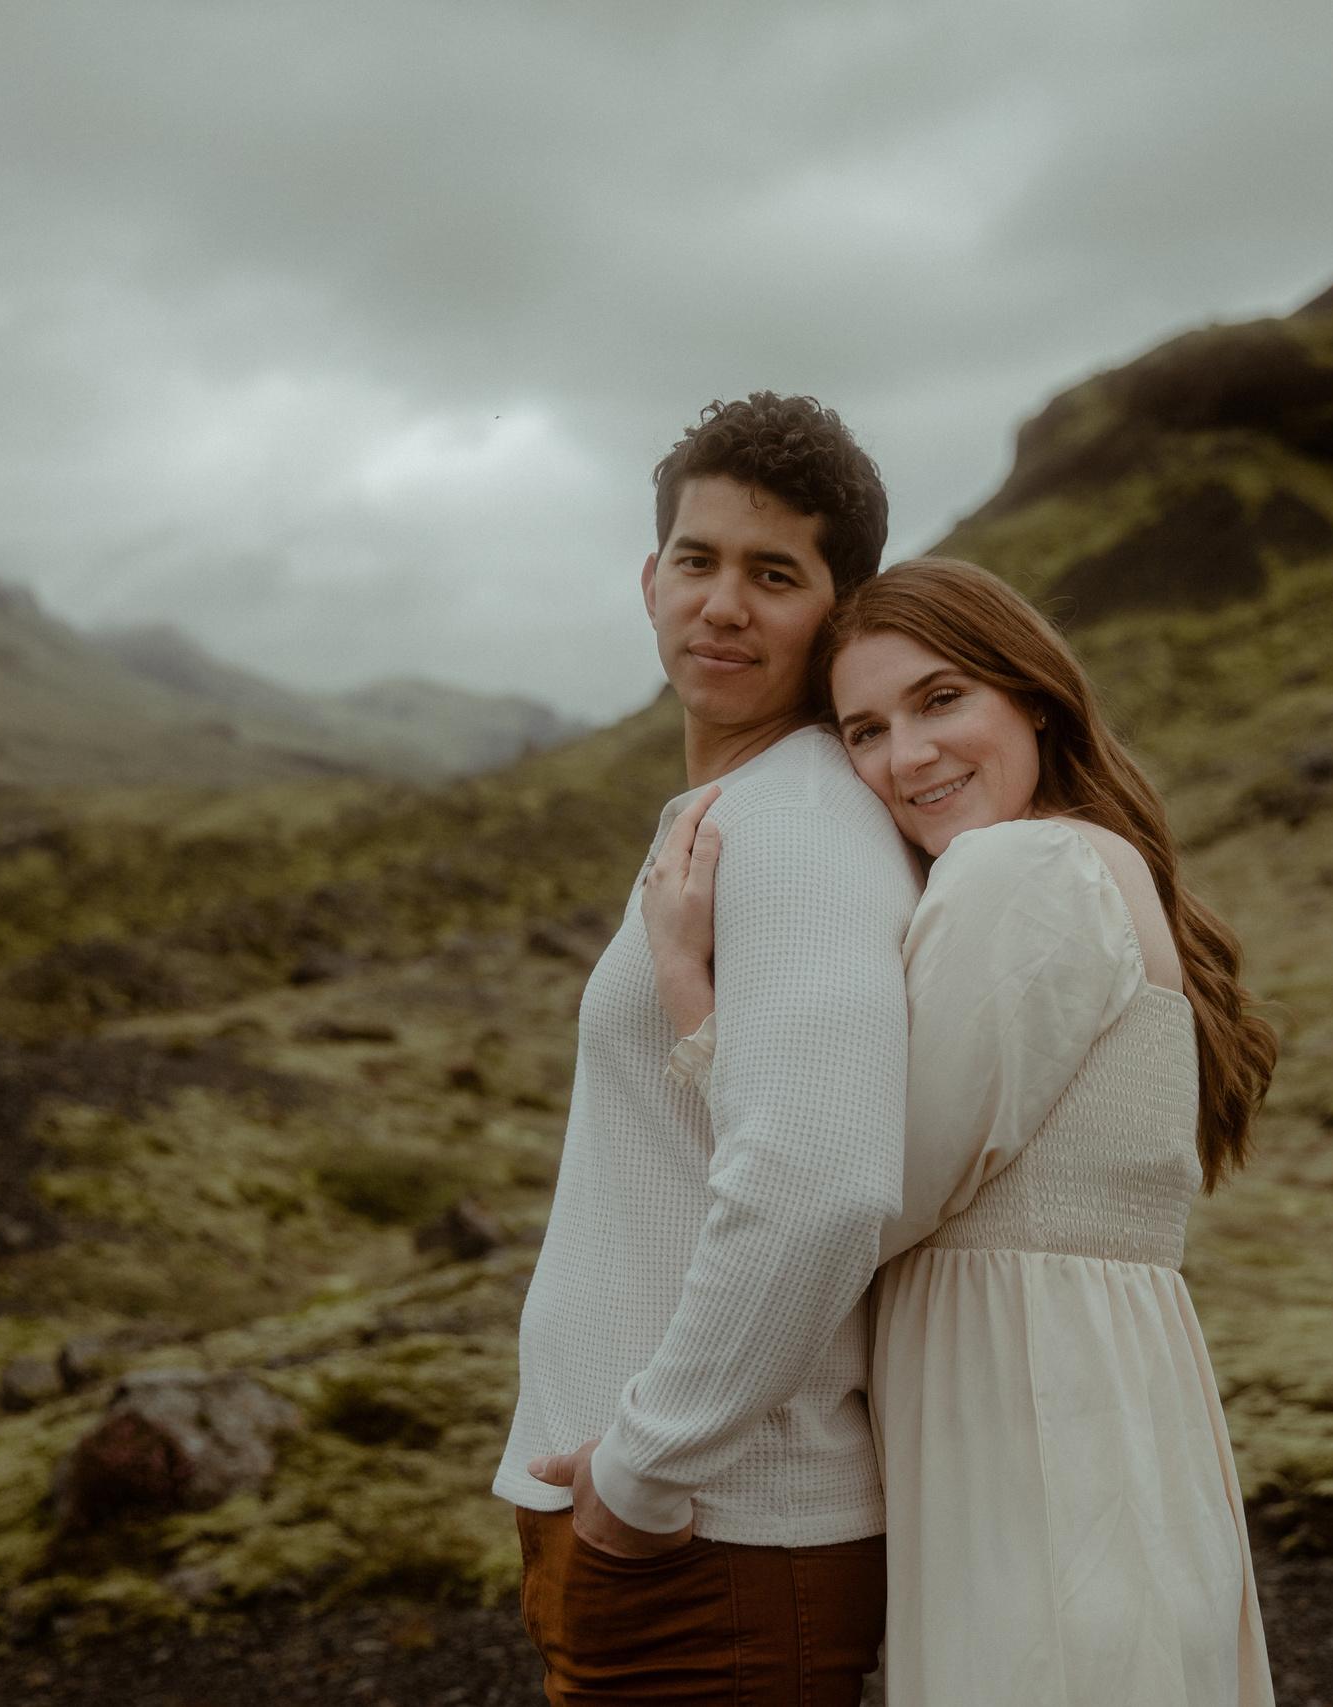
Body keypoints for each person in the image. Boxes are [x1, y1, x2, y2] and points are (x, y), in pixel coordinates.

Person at [643, 557, 1281, 1706]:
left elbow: (868, 1179)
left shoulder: (1020, 867)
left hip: (1034, 1449)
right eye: (866, 730)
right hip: (1109, 1431)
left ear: (1032, 694)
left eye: (941, 701)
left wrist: (693, 1001)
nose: (909, 756)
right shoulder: (1098, 863)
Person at [494, 393, 917, 1703]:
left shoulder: (793, 828)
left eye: (774, 572)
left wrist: (641, 1472)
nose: (724, 602)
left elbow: (822, 1181)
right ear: (650, 578)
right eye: (699, 559)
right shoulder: (737, 813)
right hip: (674, 1528)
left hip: (712, 1541)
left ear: (835, 610)